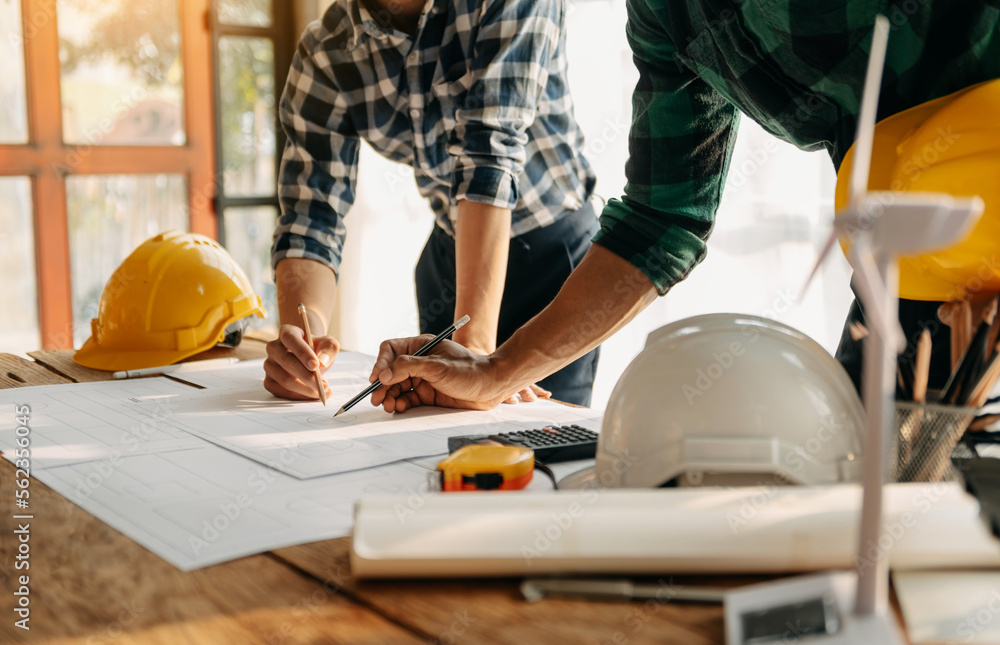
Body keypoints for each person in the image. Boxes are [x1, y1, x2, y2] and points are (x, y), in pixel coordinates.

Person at [367, 0, 1000, 412]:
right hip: (921, 257)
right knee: (868, 489)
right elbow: (660, 221)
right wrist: (497, 369)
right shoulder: (664, 16)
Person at [264, 0, 603, 406]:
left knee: (538, 447)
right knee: (435, 445)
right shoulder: (325, 53)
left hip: (555, 262)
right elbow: (310, 216)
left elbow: (489, 155)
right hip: (450, 257)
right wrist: (304, 342)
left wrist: (475, 352)